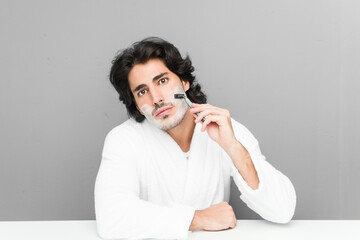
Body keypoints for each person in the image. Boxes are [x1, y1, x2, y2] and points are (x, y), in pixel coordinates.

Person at [94, 37, 296, 239]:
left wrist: (233, 148)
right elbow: (111, 218)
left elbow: (282, 210)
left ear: (184, 81)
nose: (156, 99)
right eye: (143, 91)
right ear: (137, 105)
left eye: (162, 81)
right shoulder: (123, 140)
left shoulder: (225, 128)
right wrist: (198, 218)